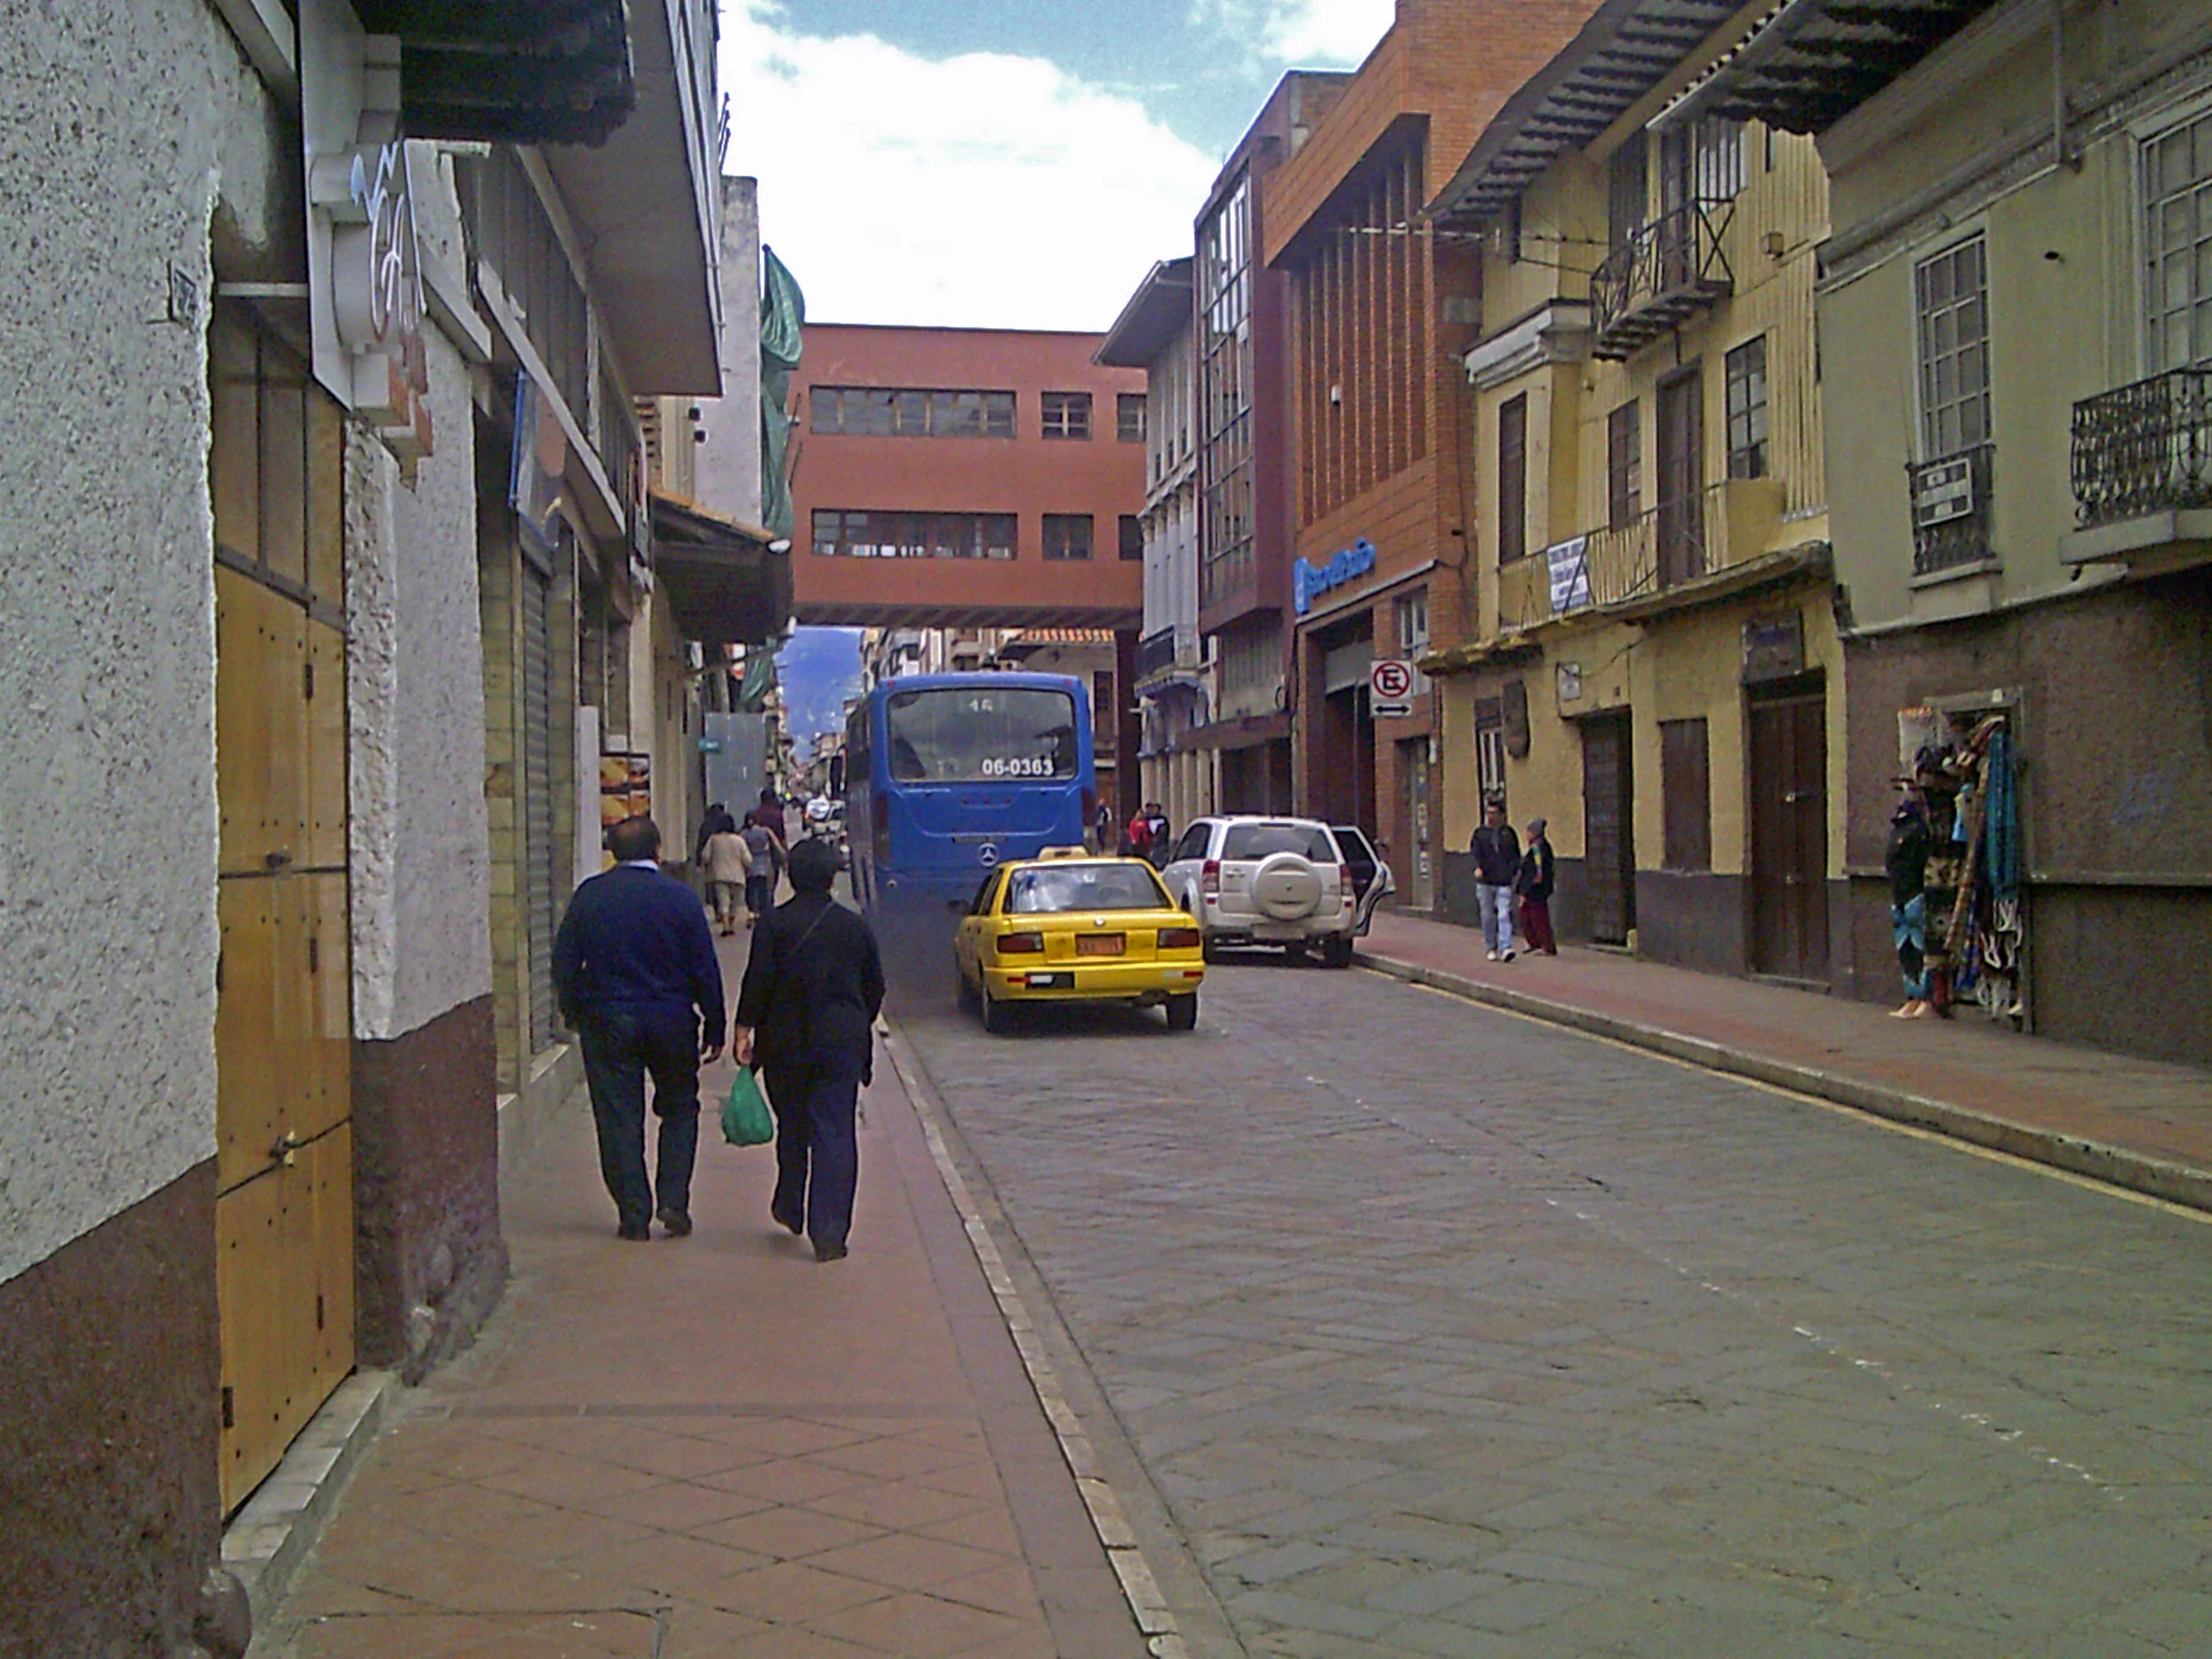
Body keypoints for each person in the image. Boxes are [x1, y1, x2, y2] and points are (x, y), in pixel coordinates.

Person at [552, 816, 726, 1241]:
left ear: (612, 852)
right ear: (658, 851)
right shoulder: (680, 899)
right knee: (681, 1108)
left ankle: (633, 1212)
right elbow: (704, 967)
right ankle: (673, 1199)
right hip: (671, 1021)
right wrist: (715, 1023)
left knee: (617, 1116)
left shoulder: (590, 897)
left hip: (608, 1022)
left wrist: (574, 1011)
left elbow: (564, 963)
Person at [735, 837, 886, 1263]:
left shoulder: (774, 924)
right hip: (840, 1044)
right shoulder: (853, 926)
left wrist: (744, 1029)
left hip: (785, 1045)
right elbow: (874, 985)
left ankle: (790, 1203)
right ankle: (830, 1231)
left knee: (793, 1125)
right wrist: (857, 1021)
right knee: (836, 1132)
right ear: (831, 877)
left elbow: (758, 980)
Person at [1471, 797, 1520, 962]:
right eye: (1488, 813)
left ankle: (1506, 947)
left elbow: (1515, 855)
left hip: (1503, 880)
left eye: (1494, 813)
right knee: (1487, 915)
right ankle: (1491, 947)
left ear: (1501, 815)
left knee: (1504, 914)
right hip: (1485, 881)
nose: (1490, 816)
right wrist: (1478, 868)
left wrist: (1512, 871)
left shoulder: (1508, 834)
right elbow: (1476, 853)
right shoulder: (1480, 834)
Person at [702, 817, 752, 936]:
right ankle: (731, 922)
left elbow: (705, 856)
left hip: (719, 874)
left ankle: (725, 926)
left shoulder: (713, 839)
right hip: (737, 876)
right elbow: (748, 859)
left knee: (723, 900)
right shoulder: (739, 840)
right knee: (736, 902)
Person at [1516, 817, 1556, 956]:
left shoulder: (1538, 848)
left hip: (1535, 889)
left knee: (1538, 916)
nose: (1526, 834)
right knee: (1527, 915)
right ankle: (1535, 942)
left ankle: (1546, 945)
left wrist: (1525, 891)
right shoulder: (1538, 847)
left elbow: (1536, 871)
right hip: (1534, 888)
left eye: (1528, 831)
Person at [741, 805, 785, 926]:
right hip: (765, 863)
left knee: (750, 890)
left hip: (749, 866)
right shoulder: (766, 831)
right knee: (764, 890)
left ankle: (752, 913)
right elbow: (777, 845)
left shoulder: (744, 834)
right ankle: (764, 914)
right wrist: (784, 857)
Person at [693, 802, 734, 867]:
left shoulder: (706, 823)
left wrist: (698, 862)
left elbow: (700, 843)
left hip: (711, 859)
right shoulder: (727, 819)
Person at [1140, 802, 1171, 869]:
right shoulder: (1146, 819)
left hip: (1160, 844)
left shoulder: (1163, 819)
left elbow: (1166, 831)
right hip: (1149, 844)